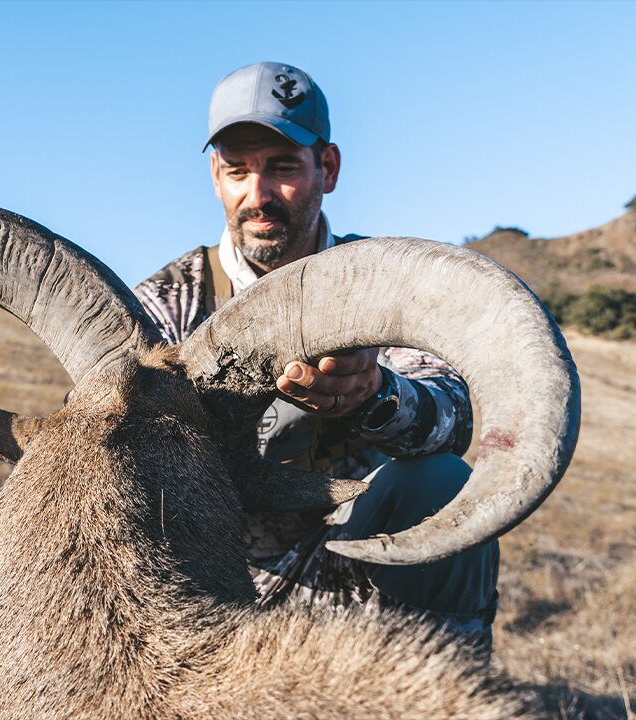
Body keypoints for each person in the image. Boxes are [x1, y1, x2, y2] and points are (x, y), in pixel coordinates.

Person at [133, 61, 498, 649]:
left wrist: (375, 393)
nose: (259, 196)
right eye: (238, 171)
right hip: (217, 576)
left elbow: (452, 421)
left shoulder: (384, 282)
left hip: (363, 554)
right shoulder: (167, 304)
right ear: (214, 176)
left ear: (326, 168)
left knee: (442, 484)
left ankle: (447, 685)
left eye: (282, 168)